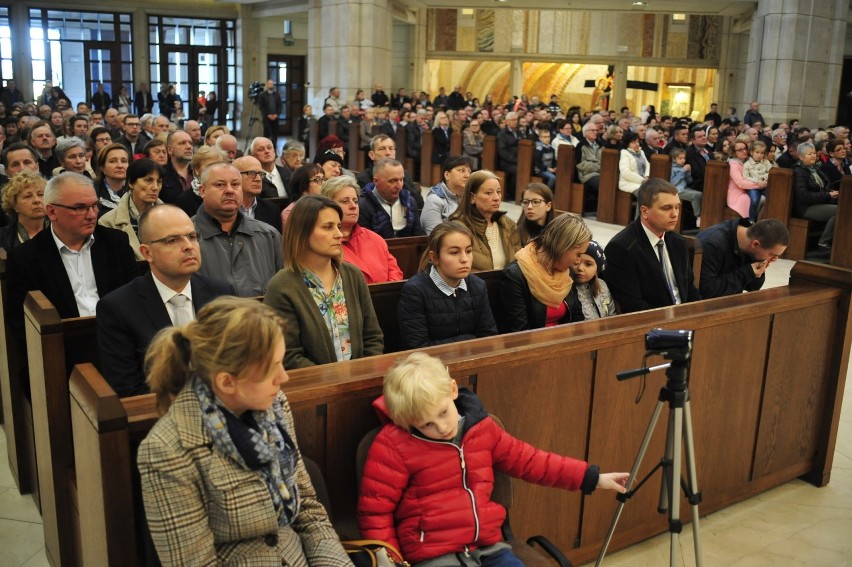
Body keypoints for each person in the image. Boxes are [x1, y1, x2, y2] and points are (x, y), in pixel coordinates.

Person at [358, 352, 629, 566]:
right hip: (431, 554)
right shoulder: (393, 445)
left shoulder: (483, 430)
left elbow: (533, 462)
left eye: (443, 413)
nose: (441, 428)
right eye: (426, 424)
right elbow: (375, 512)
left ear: (453, 390)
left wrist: (592, 478)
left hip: (488, 546)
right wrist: (388, 559)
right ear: (407, 421)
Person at [138, 296, 351, 566]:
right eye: (272, 369)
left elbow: (309, 511)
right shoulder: (167, 449)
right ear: (228, 382)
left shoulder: (274, 405)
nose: (284, 377)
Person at [97, 205, 234, 397]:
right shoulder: (117, 308)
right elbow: (127, 388)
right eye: (173, 240)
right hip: (158, 416)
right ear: (147, 253)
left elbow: (238, 363)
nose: (188, 246)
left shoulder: (221, 295)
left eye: (192, 236)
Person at [6, 172, 137, 339]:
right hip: (62, 347)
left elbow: (136, 299)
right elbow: (20, 324)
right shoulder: (25, 257)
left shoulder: (115, 242)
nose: (91, 215)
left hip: (119, 338)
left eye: (94, 205)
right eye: (80, 208)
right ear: (52, 212)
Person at [263, 195, 384, 369]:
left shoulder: (352, 275)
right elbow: (288, 355)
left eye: (339, 226)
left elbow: (373, 337)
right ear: (302, 232)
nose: (339, 234)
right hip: (313, 386)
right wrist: (333, 381)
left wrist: (361, 373)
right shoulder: (282, 285)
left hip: (360, 379)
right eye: (328, 227)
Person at [603, 179, 701, 313]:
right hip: (650, 325)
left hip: (683, 318)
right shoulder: (621, 248)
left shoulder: (678, 242)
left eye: (677, 207)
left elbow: (689, 290)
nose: (675, 214)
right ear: (644, 211)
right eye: (666, 208)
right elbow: (633, 306)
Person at [397, 222, 497, 349]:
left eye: (468, 251)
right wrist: (469, 340)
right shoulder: (415, 290)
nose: (465, 259)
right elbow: (418, 346)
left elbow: (489, 337)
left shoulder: (478, 286)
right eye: (454, 253)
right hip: (430, 366)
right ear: (434, 258)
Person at [193, 162, 283, 296]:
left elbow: (282, 290)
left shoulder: (268, 235)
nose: (229, 190)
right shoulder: (186, 238)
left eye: (235, 184)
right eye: (220, 185)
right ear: (202, 191)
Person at [497, 213, 590, 333]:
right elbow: (520, 332)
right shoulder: (514, 276)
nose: (577, 262)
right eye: (578, 254)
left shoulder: (565, 272)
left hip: (564, 344)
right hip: (533, 347)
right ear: (563, 247)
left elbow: (578, 318)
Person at [322, 176, 403, 284]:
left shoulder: (375, 239)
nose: (353, 206)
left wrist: (385, 292)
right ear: (328, 205)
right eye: (345, 201)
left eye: (355, 201)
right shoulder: (322, 242)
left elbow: (394, 272)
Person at [697, 218, 790, 298]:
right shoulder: (713, 244)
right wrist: (747, 273)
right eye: (773, 254)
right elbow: (706, 290)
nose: (775, 259)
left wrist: (759, 271)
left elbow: (752, 287)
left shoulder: (750, 245)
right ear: (756, 244)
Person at [449, 170, 520, 271]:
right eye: (489, 193)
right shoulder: (458, 229)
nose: (496, 198)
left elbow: (518, 263)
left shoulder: (509, 225)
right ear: (472, 198)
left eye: (499, 192)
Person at [98, 158, 164, 259]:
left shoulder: (172, 217)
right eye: (148, 180)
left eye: (159, 182)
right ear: (131, 183)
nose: (155, 187)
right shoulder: (108, 222)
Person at [358, 158, 424, 238]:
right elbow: (364, 241)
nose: (399, 186)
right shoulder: (362, 205)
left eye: (401, 180)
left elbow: (418, 237)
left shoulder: (410, 201)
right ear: (376, 181)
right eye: (393, 181)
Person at [792, 142, 837, 249]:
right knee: (839, 211)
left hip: (818, 203)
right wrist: (828, 195)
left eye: (814, 153)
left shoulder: (815, 169)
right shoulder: (799, 171)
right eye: (809, 154)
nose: (813, 155)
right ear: (801, 157)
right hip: (805, 207)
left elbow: (824, 186)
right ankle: (824, 241)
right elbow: (804, 195)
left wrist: (832, 192)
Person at [421, 155, 472, 235]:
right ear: (447, 175)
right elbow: (436, 236)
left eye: (469, 171)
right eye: (462, 171)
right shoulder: (434, 200)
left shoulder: (471, 198)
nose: (467, 175)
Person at [0, 171, 49, 250]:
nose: (37, 200)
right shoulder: (3, 238)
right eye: (27, 196)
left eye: (40, 194)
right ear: (14, 205)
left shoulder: (63, 232)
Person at [570, 240, 616, 319]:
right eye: (576, 263)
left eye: (588, 264)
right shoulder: (567, 289)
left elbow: (612, 313)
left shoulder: (602, 285)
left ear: (597, 268)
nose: (580, 268)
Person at [726, 140, 766, 221]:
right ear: (734, 152)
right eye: (740, 150)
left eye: (745, 148)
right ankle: (751, 221)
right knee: (761, 199)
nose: (744, 151)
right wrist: (759, 184)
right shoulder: (733, 164)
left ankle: (757, 222)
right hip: (737, 194)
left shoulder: (748, 161)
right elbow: (740, 183)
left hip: (748, 189)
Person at [281, 163, 324, 230]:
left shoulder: (327, 205)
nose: (324, 183)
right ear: (303, 186)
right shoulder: (291, 212)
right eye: (317, 180)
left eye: (324, 179)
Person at [741, 140, 776, 221]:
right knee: (754, 200)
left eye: (762, 153)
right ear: (751, 152)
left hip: (765, 185)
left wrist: (764, 179)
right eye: (757, 152)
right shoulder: (747, 164)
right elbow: (746, 177)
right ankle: (751, 220)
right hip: (754, 187)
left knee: (773, 198)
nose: (760, 155)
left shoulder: (766, 162)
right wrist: (757, 181)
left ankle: (765, 220)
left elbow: (771, 172)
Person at [669, 147, 703, 227]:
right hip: (676, 190)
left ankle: (700, 216)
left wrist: (688, 173)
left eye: (684, 158)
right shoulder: (672, 168)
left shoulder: (682, 167)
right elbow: (673, 183)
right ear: (674, 159)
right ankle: (698, 216)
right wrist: (683, 171)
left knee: (700, 193)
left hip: (684, 189)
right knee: (697, 195)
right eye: (680, 158)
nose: (683, 160)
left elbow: (689, 182)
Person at [94, 143, 130, 217]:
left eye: (124, 161)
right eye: (113, 161)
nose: (120, 166)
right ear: (102, 167)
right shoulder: (92, 191)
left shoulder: (135, 189)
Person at [618, 130, 648, 195]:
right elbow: (625, 172)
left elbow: (648, 165)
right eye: (634, 142)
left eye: (637, 142)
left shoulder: (641, 152)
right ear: (627, 144)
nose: (637, 144)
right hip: (629, 183)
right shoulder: (625, 153)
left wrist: (647, 176)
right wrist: (642, 180)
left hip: (644, 181)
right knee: (645, 194)